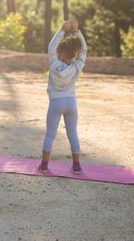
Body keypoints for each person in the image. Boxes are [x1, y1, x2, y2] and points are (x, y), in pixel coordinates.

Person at [39, 20, 87, 174]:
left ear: (59, 52)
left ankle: (44, 165)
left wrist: (61, 30)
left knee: (50, 134)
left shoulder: (53, 64)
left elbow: (50, 47)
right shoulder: (77, 67)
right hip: (71, 102)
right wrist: (77, 31)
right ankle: (77, 166)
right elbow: (84, 50)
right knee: (72, 133)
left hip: (56, 103)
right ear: (74, 53)